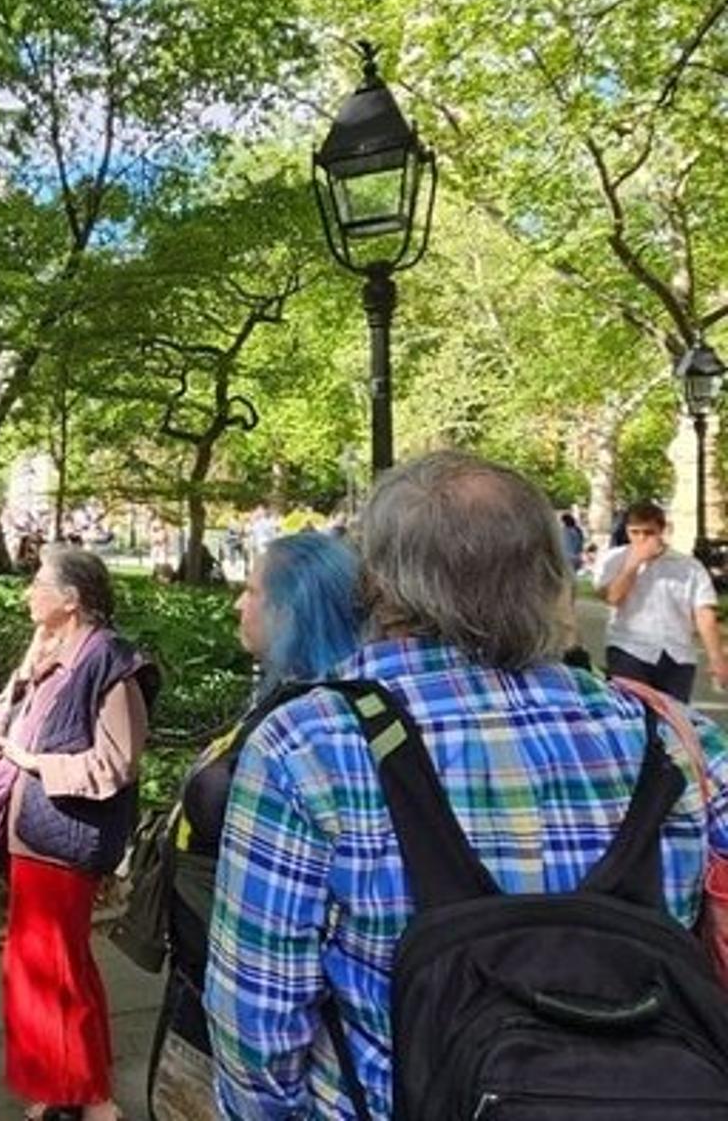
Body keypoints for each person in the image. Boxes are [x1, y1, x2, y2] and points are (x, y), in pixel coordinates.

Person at [206, 452, 728, 1118]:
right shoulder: (677, 737)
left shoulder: (308, 745)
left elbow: (257, 1026)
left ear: (378, 582)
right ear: (549, 575)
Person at [147, 533, 361, 1121]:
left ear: (294, 609)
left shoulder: (315, 730)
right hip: (202, 979)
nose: (238, 604)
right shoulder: (284, 697)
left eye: (251, 590)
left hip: (251, 1026)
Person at [0, 547, 158, 1121]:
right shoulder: (55, 651)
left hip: (63, 837)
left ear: (71, 599)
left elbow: (116, 762)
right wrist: (27, 669)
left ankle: (90, 1097)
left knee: (56, 967)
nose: (27, 593)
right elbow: (5, 721)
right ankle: (63, 1083)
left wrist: (36, 764)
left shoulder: (109, 660)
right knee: (47, 965)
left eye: (38, 583)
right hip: (36, 834)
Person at [594, 498, 726, 702]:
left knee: (674, 717)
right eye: (635, 532)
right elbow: (613, 597)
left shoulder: (689, 567)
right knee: (635, 713)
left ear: (661, 531)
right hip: (628, 648)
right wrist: (633, 565)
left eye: (648, 532)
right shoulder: (614, 559)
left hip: (677, 654)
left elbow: (704, 614)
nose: (641, 539)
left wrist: (716, 658)